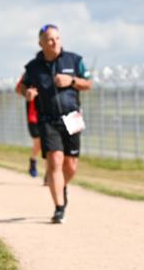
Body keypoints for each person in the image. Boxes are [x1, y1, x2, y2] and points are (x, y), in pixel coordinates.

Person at [17, 24, 92, 223]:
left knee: (72, 165)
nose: (55, 42)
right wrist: (28, 93)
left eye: (57, 38)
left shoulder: (74, 60)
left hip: (73, 117)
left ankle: (61, 186)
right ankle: (59, 207)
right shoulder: (33, 67)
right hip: (47, 119)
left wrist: (72, 81)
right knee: (55, 161)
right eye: (50, 39)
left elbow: (89, 83)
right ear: (41, 43)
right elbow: (21, 87)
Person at [16, 73, 47, 183]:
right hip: (33, 116)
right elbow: (18, 89)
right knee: (38, 144)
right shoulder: (30, 72)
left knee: (48, 145)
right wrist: (28, 93)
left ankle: (49, 174)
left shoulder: (54, 70)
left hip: (49, 115)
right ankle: (33, 160)